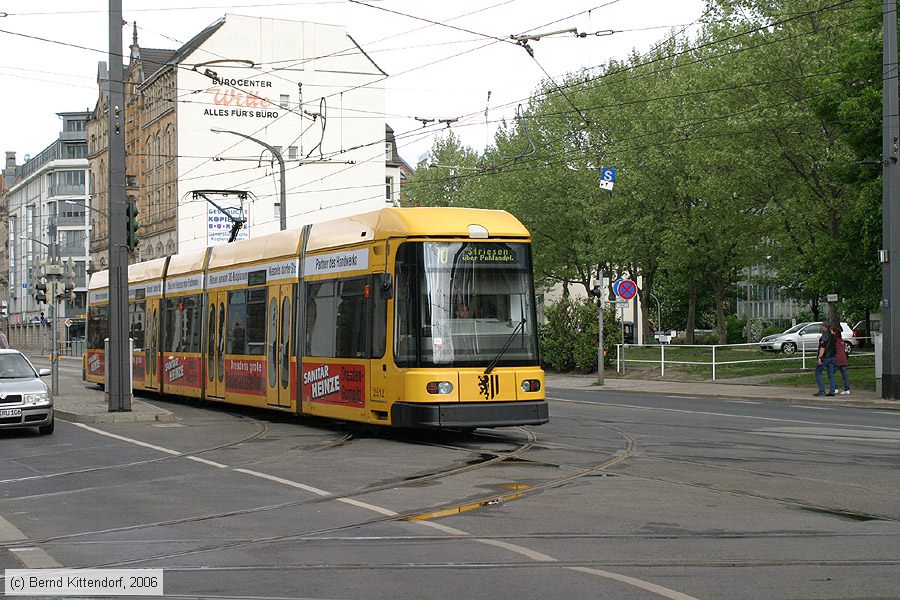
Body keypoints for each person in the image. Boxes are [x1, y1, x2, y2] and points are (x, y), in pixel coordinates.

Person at [814, 321, 837, 397]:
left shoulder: (824, 336)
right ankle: (832, 391)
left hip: (826, 357)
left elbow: (822, 347)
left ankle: (822, 390)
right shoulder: (833, 336)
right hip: (832, 357)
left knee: (818, 372)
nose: (821, 327)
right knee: (831, 374)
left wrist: (820, 357)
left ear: (825, 327)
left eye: (822, 326)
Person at [832, 325, 851, 395]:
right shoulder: (842, 341)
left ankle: (835, 388)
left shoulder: (834, 341)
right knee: (844, 374)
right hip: (843, 359)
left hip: (836, 359)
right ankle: (847, 389)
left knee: (832, 373)